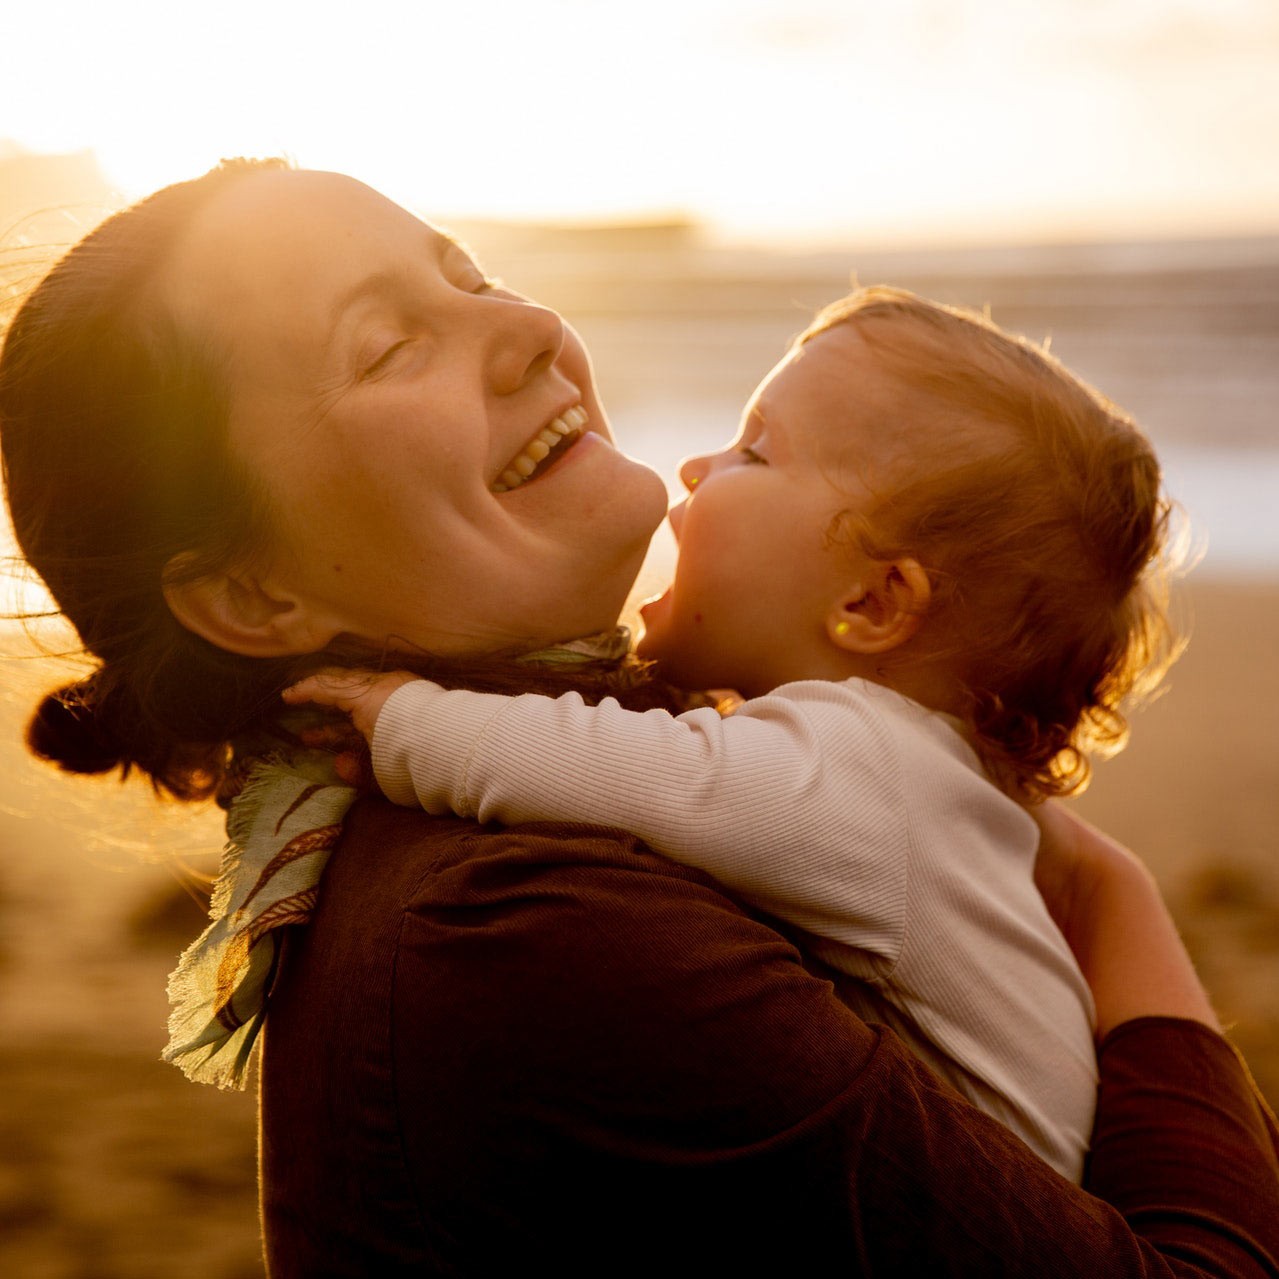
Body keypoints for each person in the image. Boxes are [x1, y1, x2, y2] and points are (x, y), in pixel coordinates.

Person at [1, 159, 1276, 1276]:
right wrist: (1113, 903)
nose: (531, 324)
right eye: (389, 344)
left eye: (472, 272)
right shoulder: (524, 927)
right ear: (249, 592)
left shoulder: (589, 794)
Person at [286, 287, 1174, 1180]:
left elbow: (639, 772)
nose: (694, 468)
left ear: (870, 602)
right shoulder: (922, 783)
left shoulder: (866, 766)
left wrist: (406, 719)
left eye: (753, 451)